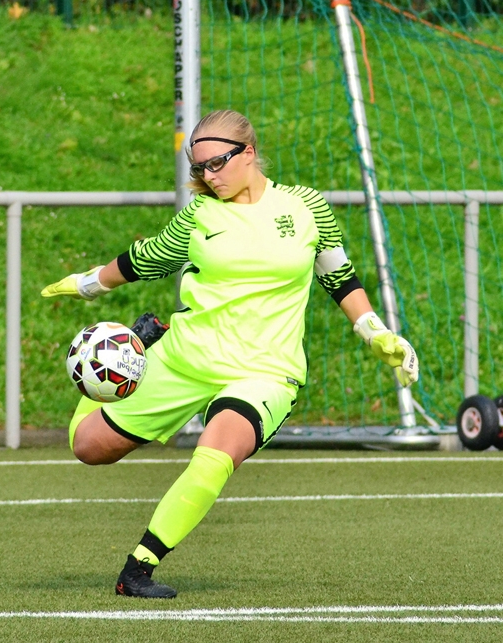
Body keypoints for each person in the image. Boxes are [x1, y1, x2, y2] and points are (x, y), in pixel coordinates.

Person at [41, 109, 419, 599]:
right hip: (186, 356)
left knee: (214, 455)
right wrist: (88, 283)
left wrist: (373, 331)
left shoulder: (306, 206)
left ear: (249, 153)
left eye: (217, 163)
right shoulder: (199, 216)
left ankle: (138, 570)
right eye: (200, 168)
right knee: (88, 447)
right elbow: (143, 259)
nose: (208, 176)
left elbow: (338, 276)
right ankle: (136, 346)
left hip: (266, 372)